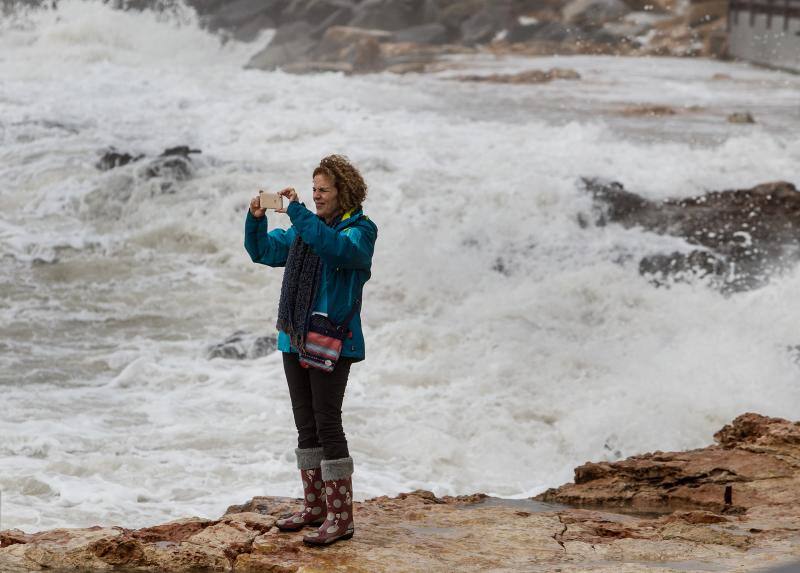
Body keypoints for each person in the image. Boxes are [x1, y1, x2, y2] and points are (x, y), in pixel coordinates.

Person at [243, 155, 377, 546]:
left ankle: (341, 518)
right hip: (296, 337)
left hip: (334, 342)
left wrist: (300, 214)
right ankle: (315, 508)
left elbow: (333, 248)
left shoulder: (360, 233)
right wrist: (256, 219)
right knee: (306, 425)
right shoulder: (305, 230)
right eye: (314, 189)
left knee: (327, 423)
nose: (317, 196)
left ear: (343, 192)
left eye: (324, 190)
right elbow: (263, 251)